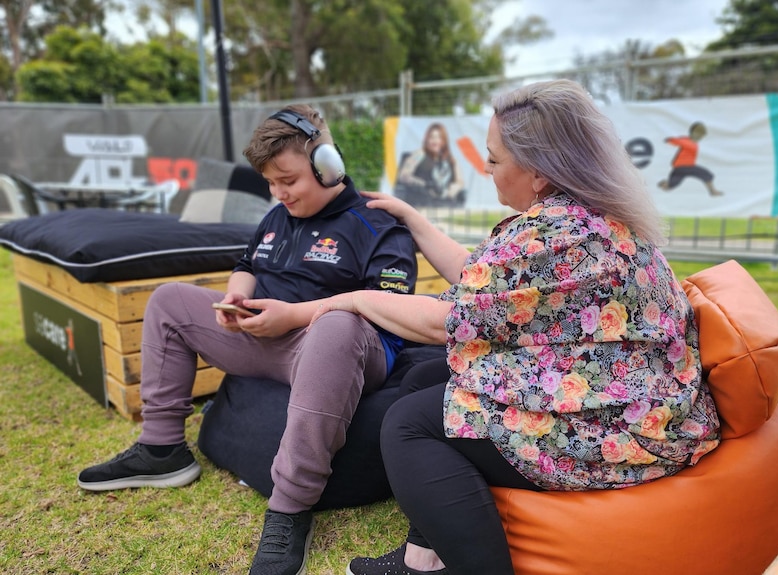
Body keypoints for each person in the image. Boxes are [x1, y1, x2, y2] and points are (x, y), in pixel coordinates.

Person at [309, 79, 722, 575]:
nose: (487, 169)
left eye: (495, 158)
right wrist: (410, 219)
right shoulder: (590, 215)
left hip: (626, 431)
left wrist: (350, 298)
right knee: (426, 382)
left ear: (540, 172)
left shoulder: (550, 236)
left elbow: (448, 321)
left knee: (408, 425)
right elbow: (487, 285)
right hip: (641, 401)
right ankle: (424, 558)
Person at [76, 104, 418, 575]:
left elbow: (390, 308)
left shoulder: (378, 225)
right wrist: (237, 299)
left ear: (327, 164)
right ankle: (161, 449)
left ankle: (291, 507)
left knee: (338, 322)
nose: (279, 193)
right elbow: (247, 265)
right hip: (266, 337)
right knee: (170, 299)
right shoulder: (277, 216)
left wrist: (295, 317)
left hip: (340, 349)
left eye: (288, 180)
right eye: (270, 183)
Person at [395, 122, 466, 207]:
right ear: (427, 139)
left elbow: (460, 181)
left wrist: (451, 190)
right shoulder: (419, 154)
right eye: (432, 137)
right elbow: (404, 175)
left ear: (444, 140)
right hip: (422, 201)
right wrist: (424, 184)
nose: (435, 141)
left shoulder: (451, 159)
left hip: (444, 202)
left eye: (439, 137)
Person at [657, 121, 723, 197]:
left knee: (671, 185)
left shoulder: (690, 141)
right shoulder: (688, 142)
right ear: (694, 133)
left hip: (680, 168)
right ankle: (713, 192)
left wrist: (670, 140)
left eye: (701, 136)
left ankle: (663, 184)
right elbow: (678, 141)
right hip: (685, 167)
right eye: (700, 136)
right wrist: (669, 140)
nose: (700, 138)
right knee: (706, 174)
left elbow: (679, 140)